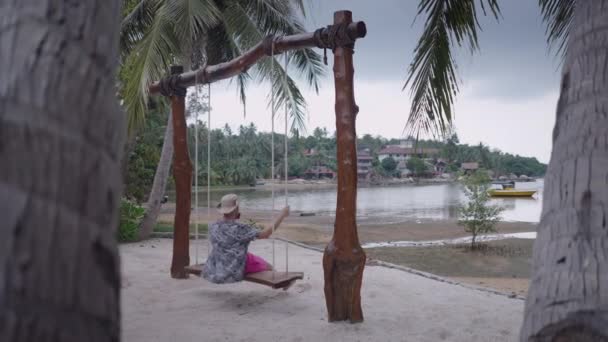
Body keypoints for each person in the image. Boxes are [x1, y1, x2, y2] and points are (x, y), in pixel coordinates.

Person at [202, 193, 290, 284]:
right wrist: (282, 214)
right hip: (233, 266)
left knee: (255, 259)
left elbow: (227, 238)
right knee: (269, 267)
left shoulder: (213, 226)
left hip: (216, 266)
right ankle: (284, 283)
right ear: (236, 208)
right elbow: (265, 234)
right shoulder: (240, 229)